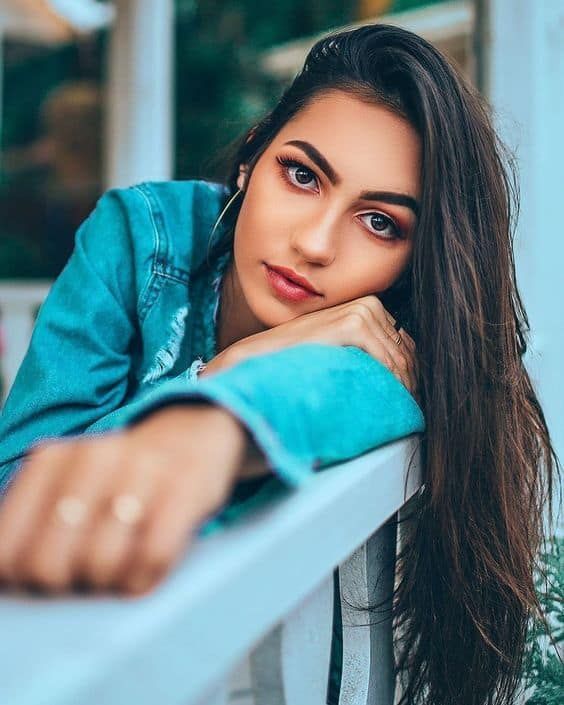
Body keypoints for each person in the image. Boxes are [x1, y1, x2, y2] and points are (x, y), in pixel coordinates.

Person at [0, 23, 559, 705]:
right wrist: (234, 369)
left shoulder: (398, 336)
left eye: (380, 221)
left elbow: (367, 383)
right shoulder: (142, 235)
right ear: (250, 157)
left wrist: (220, 426)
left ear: (415, 261)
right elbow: (16, 490)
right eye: (302, 175)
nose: (316, 243)